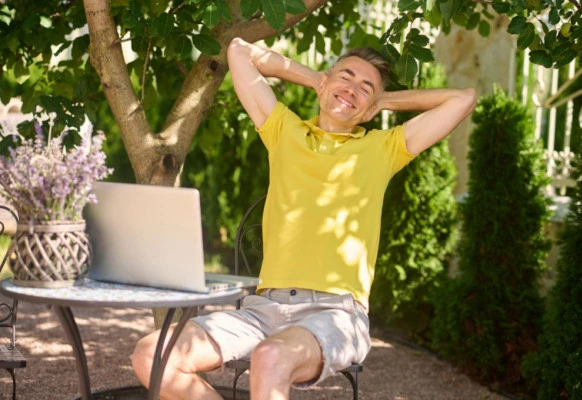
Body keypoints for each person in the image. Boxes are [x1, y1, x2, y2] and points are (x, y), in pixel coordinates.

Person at [131, 37, 477, 400]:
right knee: (151, 355)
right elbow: (239, 50)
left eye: (365, 88)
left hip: (336, 313)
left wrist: (384, 101)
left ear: (371, 109)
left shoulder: (384, 148)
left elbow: (463, 99)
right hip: (263, 310)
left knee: (270, 356)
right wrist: (318, 79)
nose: (352, 89)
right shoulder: (285, 131)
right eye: (346, 76)